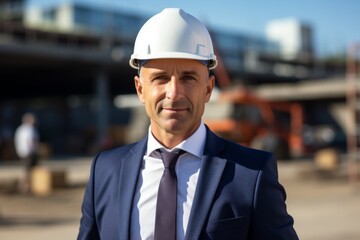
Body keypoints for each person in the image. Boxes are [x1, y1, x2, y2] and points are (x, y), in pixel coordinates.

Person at [78, 8, 299, 240]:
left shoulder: (252, 173)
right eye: (160, 78)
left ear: (208, 89)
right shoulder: (104, 171)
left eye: (188, 78)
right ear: (140, 89)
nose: (173, 93)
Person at [14, 112, 40, 193]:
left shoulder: (20, 129)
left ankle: (25, 185)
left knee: (26, 169)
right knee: (28, 170)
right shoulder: (29, 129)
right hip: (29, 152)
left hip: (21, 152)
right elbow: (31, 141)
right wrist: (36, 150)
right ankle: (25, 186)